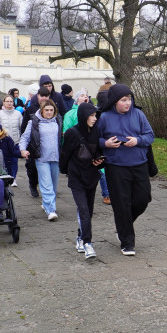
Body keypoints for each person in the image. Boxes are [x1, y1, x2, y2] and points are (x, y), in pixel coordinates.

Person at [97, 83, 154, 256]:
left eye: (129, 99)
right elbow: (94, 139)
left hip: (139, 163)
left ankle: (123, 225)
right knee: (121, 205)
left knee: (143, 199)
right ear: (115, 101)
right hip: (116, 167)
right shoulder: (105, 117)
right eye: (123, 100)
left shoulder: (138, 114)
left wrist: (137, 141)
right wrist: (105, 143)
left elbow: (150, 135)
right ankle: (127, 242)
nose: (127, 103)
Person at [61, 103, 106, 260]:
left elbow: (98, 151)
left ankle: (80, 237)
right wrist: (67, 171)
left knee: (89, 210)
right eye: (91, 115)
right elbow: (65, 155)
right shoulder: (71, 133)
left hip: (91, 176)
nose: (94, 119)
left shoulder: (96, 131)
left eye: (95, 116)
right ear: (83, 116)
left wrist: (100, 161)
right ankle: (88, 243)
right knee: (84, 210)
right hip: (76, 177)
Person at [19, 100, 64, 221]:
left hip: (55, 158)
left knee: (54, 185)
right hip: (41, 158)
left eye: (51, 110)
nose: (49, 112)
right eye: (47, 110)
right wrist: (23, 150)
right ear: (42, 110)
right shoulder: (34, 122)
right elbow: (25, 137)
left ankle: (46, 203)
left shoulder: (57, 121)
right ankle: (51, 210)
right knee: (46, 184)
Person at [22, 86, 53, 198]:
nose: (44, 98)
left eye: (46, 96)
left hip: (47, 144)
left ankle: (46, 188)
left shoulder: (51, 109)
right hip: (33, 144)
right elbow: (24, 127)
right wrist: (25, 145)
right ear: (38, 96)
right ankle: (33, 184)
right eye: (42, 96)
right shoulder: (31, 110)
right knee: (32, 168)